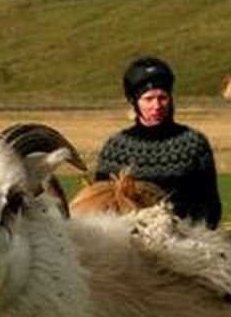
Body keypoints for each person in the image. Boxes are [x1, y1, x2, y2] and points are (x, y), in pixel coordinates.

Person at [93, 55, 222, 228]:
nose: (157, 106)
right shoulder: (116, 148)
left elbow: (209, 204)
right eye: (148, 99)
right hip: (129, 242)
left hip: (184, 240)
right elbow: (100, 206)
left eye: (162, 97)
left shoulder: (193, 143)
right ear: (134, 102)